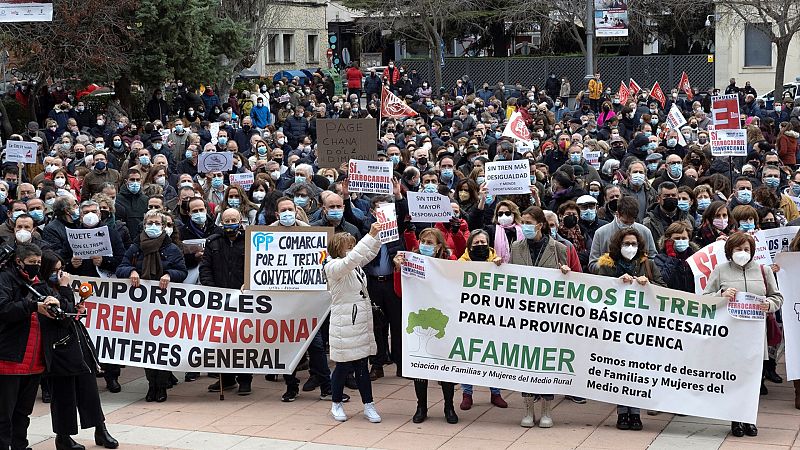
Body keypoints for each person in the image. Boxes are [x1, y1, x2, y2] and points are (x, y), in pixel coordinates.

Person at [703, 232, 782, 438]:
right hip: (731, 334)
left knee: (753, 380)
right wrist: (721, 295)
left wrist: (769, 305)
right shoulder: (720, 270)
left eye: (746, 249)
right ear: (730, 251)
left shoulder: (764, 270)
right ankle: (735, 419)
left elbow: (777, 297)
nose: (742, 253)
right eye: (738, 249)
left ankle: (749, 419)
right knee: (735, 379)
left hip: (756, 335)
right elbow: (704, 298)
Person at [38, 250, 118, 450]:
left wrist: (77, 310)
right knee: (64, 394)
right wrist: (66, 291)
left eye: (61, 269)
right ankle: (63, 437)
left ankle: (100, 429)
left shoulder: (57, 287)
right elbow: (60, 316)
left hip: (77, 343)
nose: (60, 273)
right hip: (59, 348)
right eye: (55, 270)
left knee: (89, 389)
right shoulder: (41, 289)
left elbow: (68, 312)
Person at [595, 228, 665, 431]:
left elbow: (663, 287)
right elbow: (598, 289)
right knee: (620, 371)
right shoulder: (607, 265)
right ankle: (622, 413)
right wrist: (616, 283)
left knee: (636, 369)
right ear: (618, 245)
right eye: (626, 244)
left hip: (641, 328)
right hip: (616, 327)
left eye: (634, 244)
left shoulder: (647, 264)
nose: (630, 248)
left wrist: (648, 284)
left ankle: (635, 413)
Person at [116, 210, 187, 403]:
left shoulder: (172, 249)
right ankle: (151, 384)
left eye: (157, 223)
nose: (153, 226)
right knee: (147, 348)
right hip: (142, 307)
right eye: (150, 222)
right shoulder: (136, 247)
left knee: (162, 347)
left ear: (163, 227)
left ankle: (161, 386)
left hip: (165, 307)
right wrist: (131, 270)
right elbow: (120, 268)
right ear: (145, 225)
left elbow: (182, 271)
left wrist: (169, 275)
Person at [510, 206, 572, 428]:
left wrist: (566, 273)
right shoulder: (516, 247)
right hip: (525, 315)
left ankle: (546, 410)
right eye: (522, 221)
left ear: (539, 224)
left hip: (549, 317)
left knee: (547, 361)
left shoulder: (559, 248)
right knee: (525, 360)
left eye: (528, 221)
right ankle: (528, 409)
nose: (524, 225)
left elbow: (571, 281)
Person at [0, 243, 65, 450]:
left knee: (23, 412)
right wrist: (33, 306)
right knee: (4, 414)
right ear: (19, 262)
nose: (35, 266)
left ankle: (20, 445)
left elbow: (58, 307)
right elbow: (4, 309)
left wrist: (58, 300)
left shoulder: (39, 283)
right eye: (31, 263)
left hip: (34, 361)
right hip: (9, 359)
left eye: (38, 263)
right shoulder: (5, 279)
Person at [393, 228, 458, 425]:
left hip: (442, 321)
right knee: (420, 365)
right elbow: (399, 292)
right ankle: (421, 406)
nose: (425, 245)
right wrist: (398, 270)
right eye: (422, 241)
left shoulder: (451, 261)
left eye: (430, 243)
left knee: (445, 365)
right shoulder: (411, 261)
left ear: (439, 246)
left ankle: (449, 406)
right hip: (420, 320)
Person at [326, 222, 384, 423]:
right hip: (344, 324)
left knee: (361, 365)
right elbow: (352, 259)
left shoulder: (354, 265)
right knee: (342, 367)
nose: (351, 249)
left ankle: (369, 405)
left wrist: (379, 236)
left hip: (359, 322)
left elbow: (368, 253)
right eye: (348, 246)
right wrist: (369, 235)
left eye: (352, 245)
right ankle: (336, 404)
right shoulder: (333, 267)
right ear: (338, 249)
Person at [457, 230, 507, 410]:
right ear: (469, 246)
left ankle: (496, 392)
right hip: (469, 317)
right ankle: (467, 393)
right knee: (468, 355)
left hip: (492, 317)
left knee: (492, 355)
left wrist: (500, 268)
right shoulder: (460, 264)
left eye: (483, 242)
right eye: (476, 243)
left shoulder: (498, 262)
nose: (480, 246)